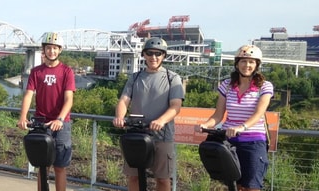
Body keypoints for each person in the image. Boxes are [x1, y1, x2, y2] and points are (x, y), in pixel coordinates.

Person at [112, 37, 184, 191]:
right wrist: (119, 117)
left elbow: (176, 106)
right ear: (144, 55)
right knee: (134, 176)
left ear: (164, 56)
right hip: (136, 133)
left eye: (158, 54)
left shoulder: (173, 78)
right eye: (150, 53)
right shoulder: (135, 77)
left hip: (162, 135)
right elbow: (124, 100)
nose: (154, 57)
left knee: (163, 179)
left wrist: (161, 120)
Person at [196, 45, 272, 191]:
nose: (247, 65)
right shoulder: (227, 85)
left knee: (252, 187)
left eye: (251, 62)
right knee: (235, 186)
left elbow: (258, 114)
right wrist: (206, 125)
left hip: (253, 142)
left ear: (257, 65)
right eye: (243, 61)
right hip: (229, 142)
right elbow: (218, 115)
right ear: (237, 63)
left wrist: (241, 127)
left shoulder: (264, 86)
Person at [17, 32, 75, 191]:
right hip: (41, 124)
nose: (52, 52)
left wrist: (60, 119)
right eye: (49, 48)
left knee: (60, 167)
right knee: (43, 167)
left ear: (60, 50)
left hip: (61, 125)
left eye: (55, 48)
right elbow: (28, 94)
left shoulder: (66, 71)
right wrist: (23, 117)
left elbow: (69, 99)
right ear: (44, 50)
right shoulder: (36, 72)